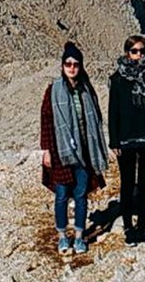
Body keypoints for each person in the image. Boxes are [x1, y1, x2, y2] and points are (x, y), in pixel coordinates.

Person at [40, 42, 110, 255]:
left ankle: (79, 236)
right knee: (61, 195)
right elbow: (46, 121)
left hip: (85, 151)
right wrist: (46, 150)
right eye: (68, 64)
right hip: (61, 151)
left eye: (75, 64)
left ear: (81, 66)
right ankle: (63, 236)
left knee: (81, 195)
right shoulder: (53, 91)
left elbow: (96, 119)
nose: (71, 68)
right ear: (62, 66)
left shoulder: (87, 90)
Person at [108, 34, 145, 246]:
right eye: (134, 51)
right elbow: (113, 111)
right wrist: (113, 141)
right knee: (126, 184)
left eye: (142, 51)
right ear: (127, 53)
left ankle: (142, 226)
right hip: (125, 140)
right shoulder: (117, 79)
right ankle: (127, 225)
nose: (138, 55)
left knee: (144, 184)